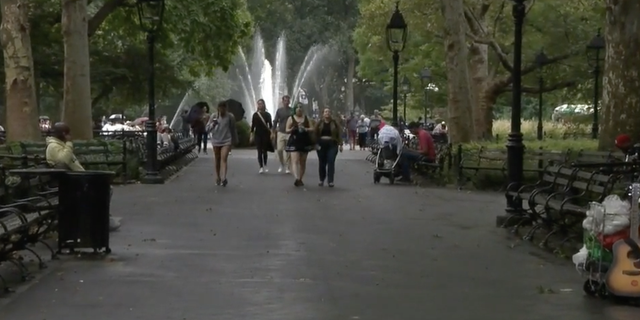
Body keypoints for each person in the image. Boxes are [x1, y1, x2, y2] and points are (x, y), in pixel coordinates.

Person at [45, 122, 121, 231]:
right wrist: (69, 144)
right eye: (68, 134)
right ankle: (101, 219)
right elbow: (63, 161)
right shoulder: (53, 146)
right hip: (70, 182)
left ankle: (102, 218)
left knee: (106, 188)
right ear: (63, 134)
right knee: (103, 190)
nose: (70, 136)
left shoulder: (59, 145)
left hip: (76, 178)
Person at [207, 101, 238, 186]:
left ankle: (224, 177)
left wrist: (234, 140)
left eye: (223, 108)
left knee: (224, 158)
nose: (222, 110)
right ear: (218, 108)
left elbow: (233, 129)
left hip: (226, 140)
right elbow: (207, 129)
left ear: (226, 108)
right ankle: (218, 177)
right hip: (216, 140)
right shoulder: (214, 116)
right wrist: (213, 124)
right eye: (220, 108)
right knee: (217, 159)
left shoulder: (230, 117)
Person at [285, 105, 314, 187]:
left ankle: (300, 178)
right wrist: (292, 129)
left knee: (303, 161)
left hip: (304, 141)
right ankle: (296, 178)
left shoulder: (306, 118)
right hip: (294, 140)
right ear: (295, 110)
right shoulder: (291, 118)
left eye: (301, 107)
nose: (299, 109)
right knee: (295, 160)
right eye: (297, 107)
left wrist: (305, 128)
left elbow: (312, 128)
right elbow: (286, 130)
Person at [314, 108, 343, 187]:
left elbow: (339, 133)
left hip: (332, 144)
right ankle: (321, 179)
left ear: (331, 114)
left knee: (331, 161)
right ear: (323, 113)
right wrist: (315, 144)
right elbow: (315, 134)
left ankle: (330, 180)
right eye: (325, 112)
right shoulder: (319, 123)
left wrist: (340, 144)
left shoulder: (335, 123)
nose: (327, 113)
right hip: (321, 144)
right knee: (322, 162)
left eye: (329, 112)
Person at [250, 99, 274, 173]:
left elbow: (270, 125)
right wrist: (251, 134)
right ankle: (261, 166)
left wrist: (272, 133)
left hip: (265, 134)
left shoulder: (268, 115)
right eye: (258, 104)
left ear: (264, 104)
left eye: (261, 104)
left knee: (265, 151)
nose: (260, 105)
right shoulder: (255, 115)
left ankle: (265, 164)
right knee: (259, 151)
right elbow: (253, 125)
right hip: (258, 134)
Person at [272, 95, 293, 173]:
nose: (286, 102)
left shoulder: (292, 111)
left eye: (288, 101)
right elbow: (275, 121)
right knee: (280, 149)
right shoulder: (279, 111)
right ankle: (281, 164)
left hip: (289, 132)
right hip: (281, 131)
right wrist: (273, 131)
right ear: (283, 101)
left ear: (289, 102)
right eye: (285, 101)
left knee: (288, 150)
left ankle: (287, 166)